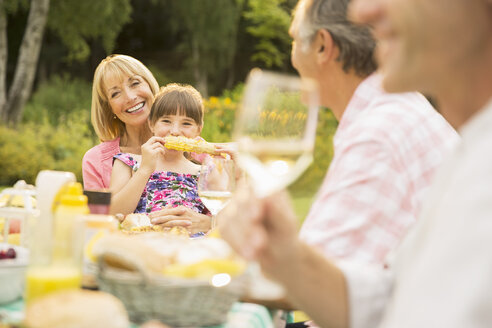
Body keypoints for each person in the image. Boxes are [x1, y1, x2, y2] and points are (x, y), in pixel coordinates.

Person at [218, 0, 492, 327]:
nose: (363, 13)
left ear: (323, 46)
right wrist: (286, 255)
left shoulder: (382, 129)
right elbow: (387, 301)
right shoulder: (470, 145)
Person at [289, 0, 458, 266]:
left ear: (322, 46)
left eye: (294, 41)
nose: (293, 57)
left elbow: (317, 278)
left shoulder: (377, 136)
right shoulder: (401, 109)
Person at [110, 84, 212, 235]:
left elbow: (226, 219)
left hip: (190, 247)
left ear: (198, 128)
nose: (175, 131)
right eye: (166, 121)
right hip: (142, 242)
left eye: (186, 123)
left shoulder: (204, 171)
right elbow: (113, 213)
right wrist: (145, 169)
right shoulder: (129, 162)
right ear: (151, 123)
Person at [82, 54, 160, 191]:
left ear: (150, 85)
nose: (130, 97)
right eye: (115, 93)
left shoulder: (189, 151)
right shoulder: (96, 160)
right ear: (109, 108)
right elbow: (97, 213)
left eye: (135, 83)